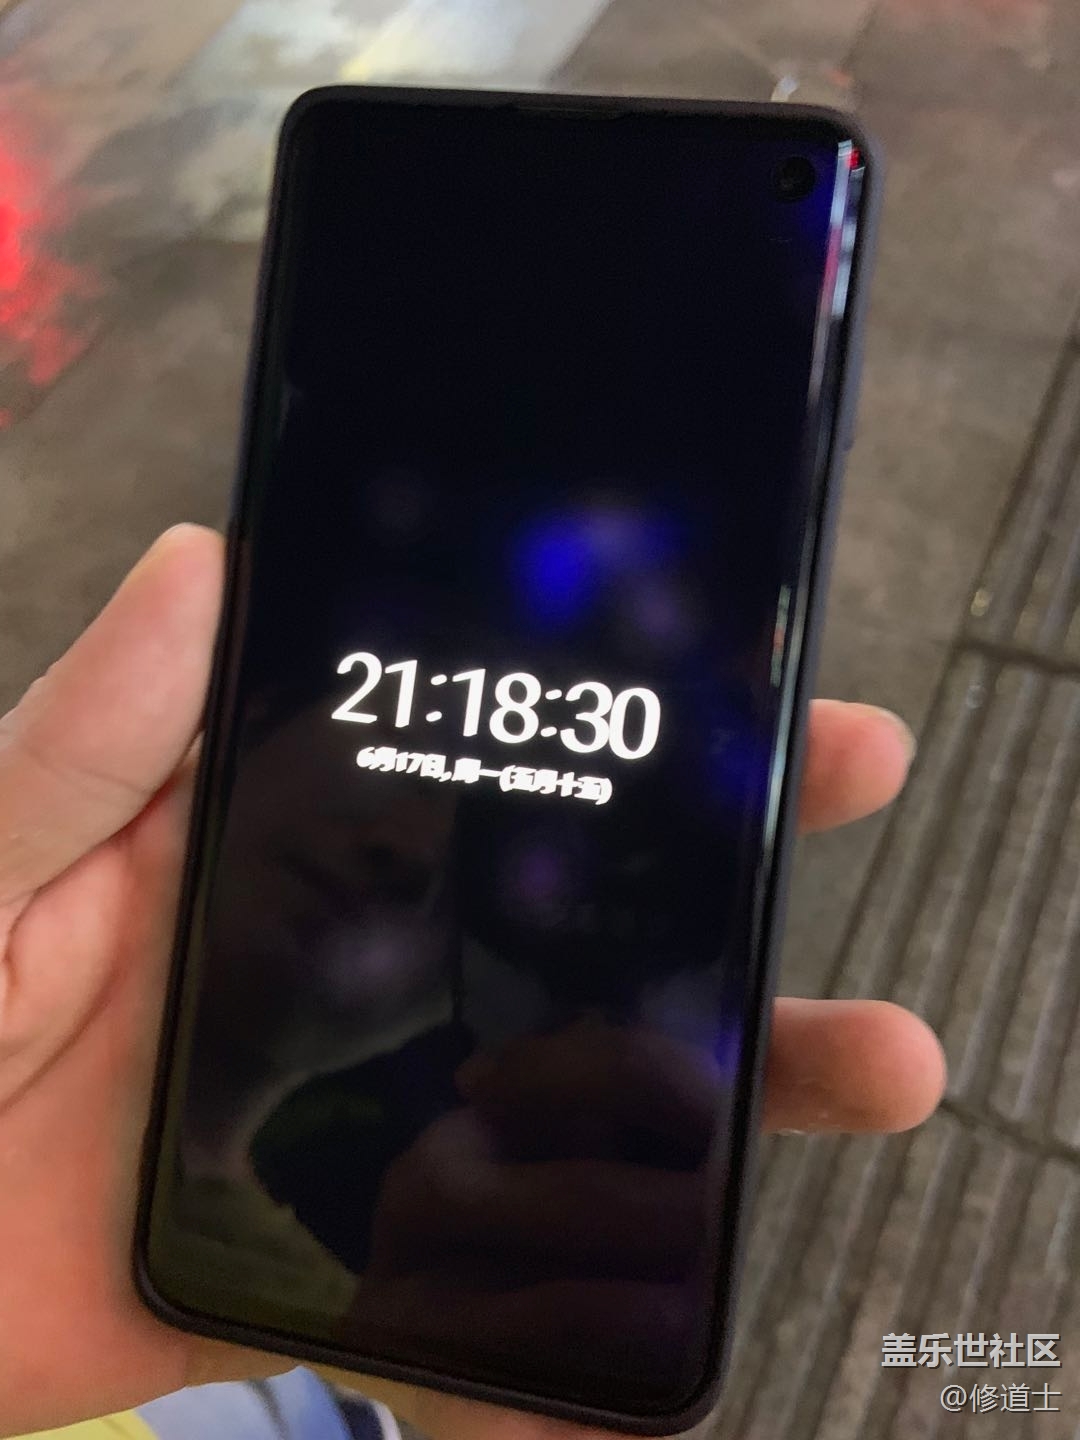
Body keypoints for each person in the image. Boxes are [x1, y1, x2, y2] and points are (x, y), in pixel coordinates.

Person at [0, 526, 946, 1440]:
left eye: (476, 872)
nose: (412, 854)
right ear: (259, 716)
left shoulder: (311, 1304)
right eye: (419, 748)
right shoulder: (241, 1309)